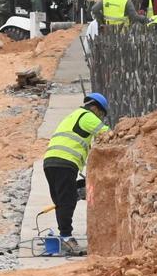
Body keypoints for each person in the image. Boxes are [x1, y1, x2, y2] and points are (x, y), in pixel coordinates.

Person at [43, 92, 109, 256]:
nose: (100, 118)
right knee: (67, 201)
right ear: (95, 108)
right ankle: (66, 237)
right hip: (65, 162)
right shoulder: (87, 116)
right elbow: (109, 135)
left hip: (51, 162)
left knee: (61, 200)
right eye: (101, 114)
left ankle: (63, 235)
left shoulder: (72, 116)